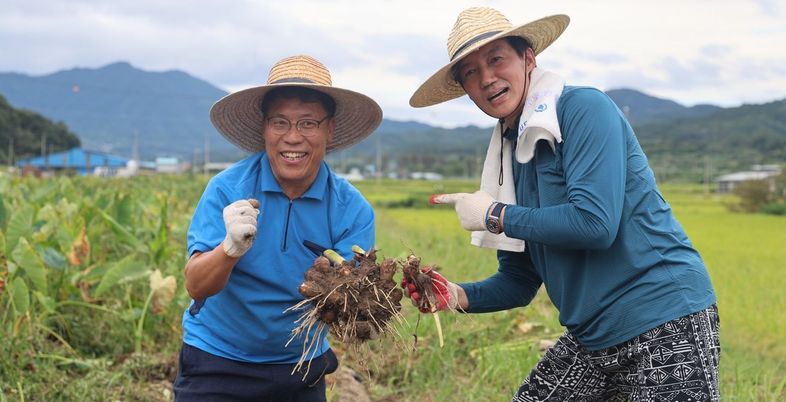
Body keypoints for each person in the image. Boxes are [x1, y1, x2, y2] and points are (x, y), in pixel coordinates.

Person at [405, 7, 720, 402]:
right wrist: (456, 295)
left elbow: (594, 223)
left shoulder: (583, 109)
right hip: (593, 335)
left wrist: (494, 215)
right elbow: (519, 281)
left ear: (528, 58)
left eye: (496, 59)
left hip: (662, 317)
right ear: (465, 88)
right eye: (470, 72)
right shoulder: (510, 156)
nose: (486, 78)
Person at [173, 55, 382, 401]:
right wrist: (230, 249)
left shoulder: (351, 209)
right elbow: (196, 285)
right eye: (280, 122)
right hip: (217, 358)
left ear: (329, 129)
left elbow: (351, 299)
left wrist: (362, 300)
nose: (293, 138)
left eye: (308, 124)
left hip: (301, 364)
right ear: (264, 128)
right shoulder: (227, 190)